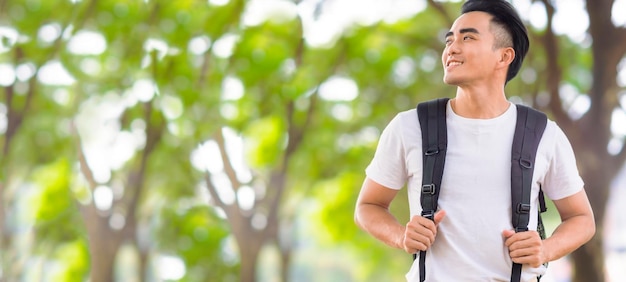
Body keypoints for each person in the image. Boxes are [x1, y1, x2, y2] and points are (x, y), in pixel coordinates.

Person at [354, 0, 596, 281]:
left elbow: (582, 219)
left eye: (467, 37)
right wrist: (401, 237)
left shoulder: (542, 134)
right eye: (450, 39)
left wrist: (545, 248)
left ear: (504, 57)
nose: (451, 48)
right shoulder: (410, 127)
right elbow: (367, 207)